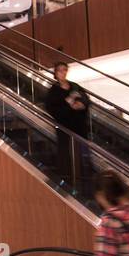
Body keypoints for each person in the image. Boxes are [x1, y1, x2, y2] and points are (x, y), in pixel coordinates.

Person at [44, 61, 91, 190]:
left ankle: (84, 175)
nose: (62, 72)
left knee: (82, 150)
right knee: (65, 150)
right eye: (59, 70)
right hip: (64, 127)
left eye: (65, 70)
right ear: (55, 73)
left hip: (79, 126)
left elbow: (86, 100)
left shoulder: (75, 86)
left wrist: (81, 105)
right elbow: (51, 108)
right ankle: (67, 177)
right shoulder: (53, 90)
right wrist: (68, 105)